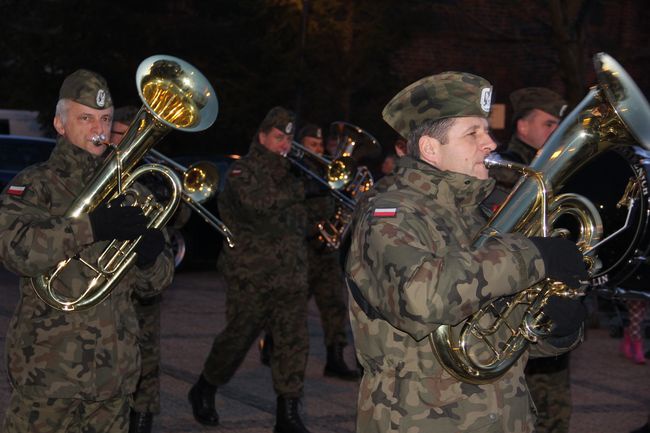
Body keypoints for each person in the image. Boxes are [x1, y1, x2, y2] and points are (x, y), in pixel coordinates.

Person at [345, 72, 589, 433]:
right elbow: (420, 297)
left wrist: (557, 326)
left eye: (486, 131)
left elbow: (498, 335)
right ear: (430, 148)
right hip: (419, 421)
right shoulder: (389, 213)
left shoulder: (483, 211)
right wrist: (533, 256)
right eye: (472, 133)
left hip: (506, 418)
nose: (490, 143)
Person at [0, 70, 174, 433]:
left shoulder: (134, 192)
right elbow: (15, 250)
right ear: (60, 124)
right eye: (86, 117)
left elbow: (155, 285)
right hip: (48, 372)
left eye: (106, 119)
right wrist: (91, 227)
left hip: (114, 374)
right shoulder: (35, 184)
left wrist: (150, 257)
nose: (100, 128)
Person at [188, 106, 313, 433]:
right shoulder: (244, 171)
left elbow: (308, 222)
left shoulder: (292, 173)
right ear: (261, 137)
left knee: (293, 341)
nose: (285, 144)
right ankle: (205, 386)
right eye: (277, 137)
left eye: (288, 137)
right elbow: (259, 208)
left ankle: (288, 412)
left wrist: (320, 194)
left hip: (291, 273)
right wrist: (301, 190)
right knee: (238, 338)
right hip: (251, 274)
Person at [110, 105, 166, 433]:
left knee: (147, 359)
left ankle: (142, 422)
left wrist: (162, 191)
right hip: (107, 285)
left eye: (132, 135)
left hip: (143, 282)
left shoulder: (150, 172)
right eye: (120, 134)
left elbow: (176, 223)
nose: (125, 141)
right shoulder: (97, 171)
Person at [621, 299, 648, 364]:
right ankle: (638, 351)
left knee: (639, 316)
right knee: (636, 316)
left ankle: (627, 341)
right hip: (634, 292)